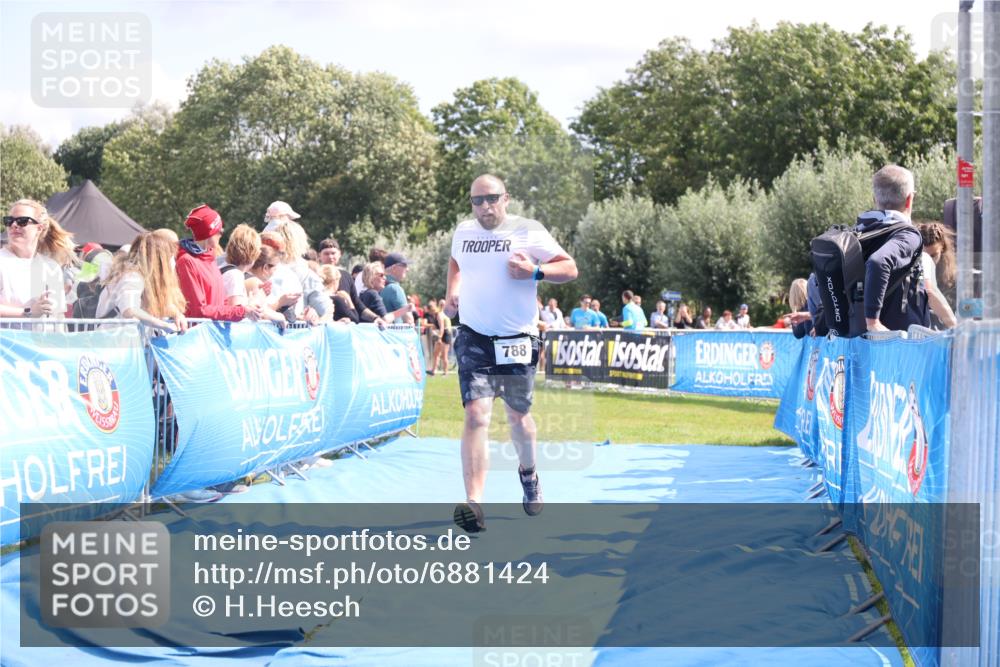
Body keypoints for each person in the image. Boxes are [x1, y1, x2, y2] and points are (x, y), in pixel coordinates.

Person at [444, 174, 578, 533]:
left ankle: (529, 473)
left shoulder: (528, 230)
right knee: (476, 415)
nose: (485, 206)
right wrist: (452, 292)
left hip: (517, 337)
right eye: (477, 200)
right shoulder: (464, 232)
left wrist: (536, 271)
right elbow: (455, 263)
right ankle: (474, 503)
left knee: (518, 418)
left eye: (491, 199)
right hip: (474, 334)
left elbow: (569, 267)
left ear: (506, 198)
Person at [858, 165, 929, 332]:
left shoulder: (861, 231)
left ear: (875, 199)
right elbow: (879, 262)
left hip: (860, 341)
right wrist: (872, 322)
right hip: (895, 345)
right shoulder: (907, 234)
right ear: (910, 199)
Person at [96, 232, 189, 332]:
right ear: (158, 259)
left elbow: (157, 304)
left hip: (121, 339)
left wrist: (177, 314)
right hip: (114, 339)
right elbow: (130, 310)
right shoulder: (132, 276)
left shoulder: (141, 275)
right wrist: (163, 325)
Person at [176, 205, 255, 321]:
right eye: (219, 231)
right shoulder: (187, 261)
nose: (221, 234)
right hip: (198, 334)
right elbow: (199, 310)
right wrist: (240, 311)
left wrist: (248, 305)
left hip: (213, 333)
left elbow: (222, 302)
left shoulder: (209, 257)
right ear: (209, 233)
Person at [0, 199, 73, 319]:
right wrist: (28, 312)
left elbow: (58, 317)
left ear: (39, 228)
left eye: (22, 221)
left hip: (41, 337)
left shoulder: (51, 267)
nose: (14, 225)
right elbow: (33, 312)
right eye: (9, 221)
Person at [917, 223, 957, 329]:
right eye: (924, 255)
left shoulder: (954, 276)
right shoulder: (915, 273)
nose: (929, 261)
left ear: (943, 248)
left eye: (933, 255)